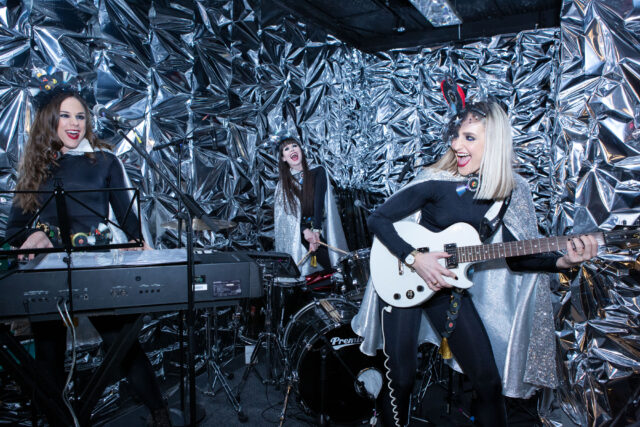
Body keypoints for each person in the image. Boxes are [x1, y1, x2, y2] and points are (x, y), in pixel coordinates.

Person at [351, 101, 598, 427]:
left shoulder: (511, 191)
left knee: (487, 381)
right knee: (402, 378)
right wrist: (415, 258)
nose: (456, 145)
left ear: (494, 142)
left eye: (469, 138)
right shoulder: (436, 179)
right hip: (405, 279)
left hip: (447, 290)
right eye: (456, 136)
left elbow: (515, 256)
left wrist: (564, 259)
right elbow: (381, 222)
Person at [5, 89, 171, 426]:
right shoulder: (37, 167)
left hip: (95, 269)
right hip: (48, 273)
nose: (74, 123)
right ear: (49, 121)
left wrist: (140, 247)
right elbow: (13, 232)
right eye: (65, 115)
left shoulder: (106, 161)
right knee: (48, 357)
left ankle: (160, 413)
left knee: (123, 347)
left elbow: (131, 225)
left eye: (80, 116)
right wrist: (35, 235)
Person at [273, 136, 348, 276]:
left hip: (319, 227)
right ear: (283, 158)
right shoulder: (282, 185)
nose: (292, 150)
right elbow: (288, 217)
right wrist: (304, 231)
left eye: (295, 146)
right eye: (287, 149)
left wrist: (316, 232)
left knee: (338, 266)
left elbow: (318, 203)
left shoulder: (318, 171)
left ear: (301, 150)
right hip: (299, 232)